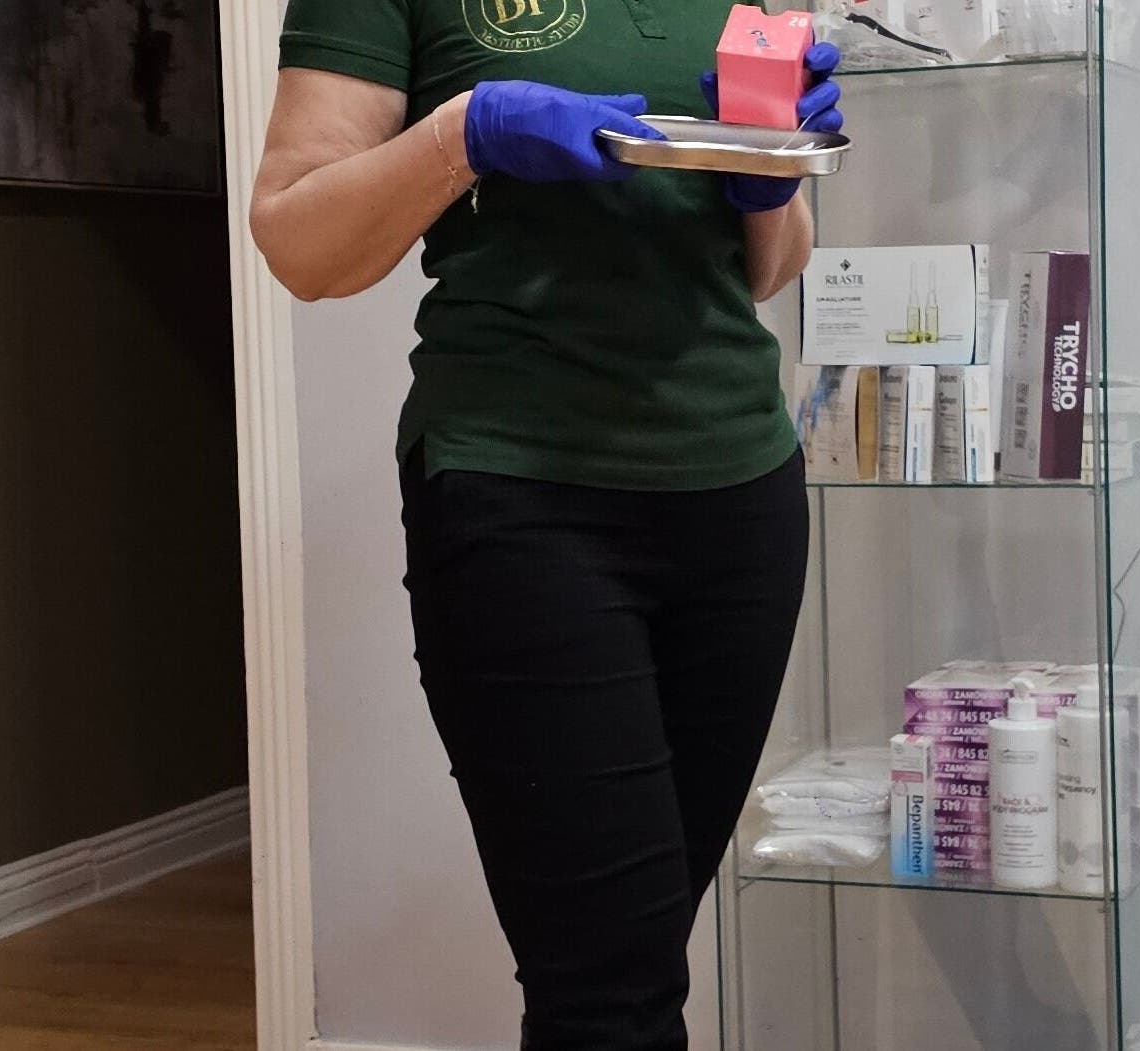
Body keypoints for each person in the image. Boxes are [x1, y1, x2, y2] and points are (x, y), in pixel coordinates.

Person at [250, 2, 843, 1047]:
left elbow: (765, 268)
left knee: (635, 952)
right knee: (608, 988)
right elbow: (302, 243)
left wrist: (768, 182)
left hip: (742, 495)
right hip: (524, 501)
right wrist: (464, 134)